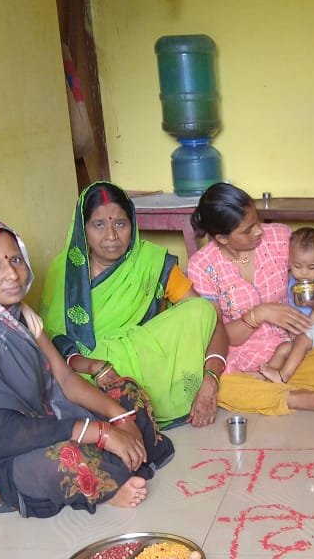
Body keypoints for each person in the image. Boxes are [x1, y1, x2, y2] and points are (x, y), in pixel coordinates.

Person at [0, 217, 174, 517]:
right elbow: (0, 434)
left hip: (46, 420)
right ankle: (106, 484)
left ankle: (113, 464)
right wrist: (103, 434)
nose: (12, 274)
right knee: (60, 459)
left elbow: (65, 378)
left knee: (126, 392)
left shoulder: (15, 315)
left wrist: (120, 419)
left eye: (15, 259)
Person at [40, 181, 229, 429]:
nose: (111, 236)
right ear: (82, 229)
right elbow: (50, 340)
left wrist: (211, 379)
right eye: (99, 225)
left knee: (201, 309)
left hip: (142, 364)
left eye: (120, 224)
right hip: (83, 371)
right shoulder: (63, 271)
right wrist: (92, 364)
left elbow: (210, 322)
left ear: (132, 224)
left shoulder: (151, 263)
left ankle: (135, 406)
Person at [186, 184, 314, 415]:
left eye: (257, 220)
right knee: (222, 383)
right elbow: (217, 335)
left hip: (289, 347)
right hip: (239, 355)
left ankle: (270, 389)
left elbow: (312, 271)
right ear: (223, 238)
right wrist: (259, 314)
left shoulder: (279, 237)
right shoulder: (202, 266)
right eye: (248, 230)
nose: (259, 231)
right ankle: (292, 398)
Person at [258, 226, 314, 384]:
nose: (304, 273)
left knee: (301, 341)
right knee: (282, 348)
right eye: (297, 266)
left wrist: (306, 325)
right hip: (301, 329)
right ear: (289, 261)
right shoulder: (289, 279)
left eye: (312, 267)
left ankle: (283, 375)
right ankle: (266, 377)